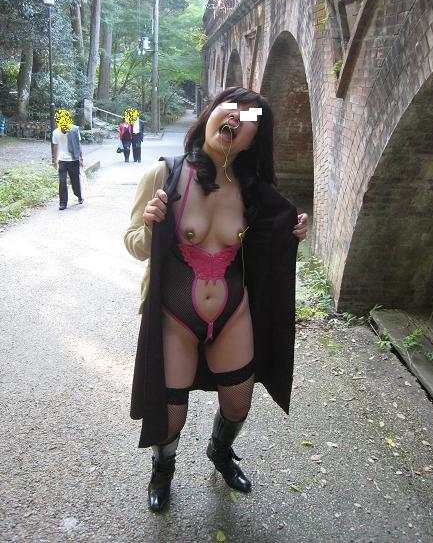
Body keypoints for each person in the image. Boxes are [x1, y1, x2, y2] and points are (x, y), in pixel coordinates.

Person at [124, 86, 308, 513]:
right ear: (210, 114)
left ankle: (220, 451)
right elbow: (133, 244)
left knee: (239, 402)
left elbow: (266, 251)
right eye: (231, 108)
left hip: (231, 314)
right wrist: (150, 226)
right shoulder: (164, 175)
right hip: (175, 315)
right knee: (169, 415)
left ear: (253, 139)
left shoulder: (254, 191)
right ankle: (163, 469)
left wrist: (292, 233)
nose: (237, 118)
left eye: (250, 118)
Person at [51, 109, 83, 210]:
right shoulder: (56, 132)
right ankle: (63, 203)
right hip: (62, 160)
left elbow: (78, 145)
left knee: (75, 181)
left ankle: (79, 195)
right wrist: (54, 160)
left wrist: (81, 158)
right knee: (62, 181)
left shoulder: (74, 130)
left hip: (74, 160)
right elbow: (55, 147)